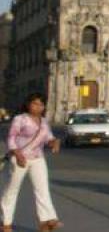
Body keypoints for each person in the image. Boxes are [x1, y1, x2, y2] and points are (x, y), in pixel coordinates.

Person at [1, 93, 63, 231]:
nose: (38, 107)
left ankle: (46, 221)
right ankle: (6, 222)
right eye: (35, 103)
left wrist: (54, 142)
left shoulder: (44, 121)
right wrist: (17, 154)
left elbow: (48, 138)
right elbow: (11, 138)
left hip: (38, 158)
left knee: (42, 189)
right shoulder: (20, 119)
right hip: (19, 158)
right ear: (28, 104)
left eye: (41, 104)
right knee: (12, 190)